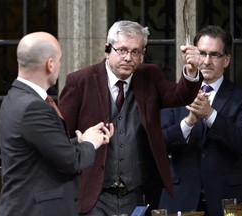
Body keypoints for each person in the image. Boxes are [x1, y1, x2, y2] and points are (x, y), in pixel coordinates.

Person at [58, 20, 203, 216]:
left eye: (135, 52)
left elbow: (179, 96)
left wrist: (192, 70)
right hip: (93, 196)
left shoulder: (150, 76)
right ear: (107, 49)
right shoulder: (80, 81)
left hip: (136, 196)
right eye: (122, 50)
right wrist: (82, 142)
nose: (128, 58)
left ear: (142, 54)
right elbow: (61, 138)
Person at [0, 32, 114, 216]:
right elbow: (69, 161)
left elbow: (45, 151)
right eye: (59, 60)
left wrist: (82, 142)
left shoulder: (14, 97)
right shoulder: (34, 107)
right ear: (50, 64)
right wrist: (90, 143)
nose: (59, 65)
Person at [159, 25, 242, 216]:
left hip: (228, 200)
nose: (206, 61)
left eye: (214, 55)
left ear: (226, 60)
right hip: (181, 200)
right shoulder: (172, 95)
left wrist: (210, 114)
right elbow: (160, 144)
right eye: (201, 54)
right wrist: (188, 122)